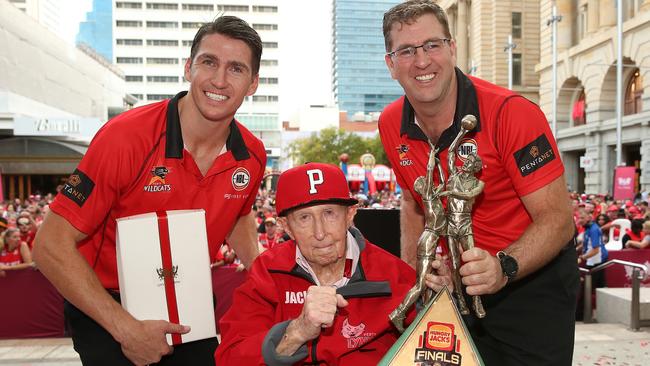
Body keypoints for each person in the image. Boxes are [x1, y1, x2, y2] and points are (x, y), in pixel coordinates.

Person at [32, 16, 267, 366]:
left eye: (236, 68)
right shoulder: (124, 138)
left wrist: (266, 274)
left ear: (253, 84)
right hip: (107, 305)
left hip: (188, 300)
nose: (219, 79)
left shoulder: (252, 154)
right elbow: (49, 245)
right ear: (188, 67)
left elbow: (239, 216)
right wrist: (126, 329)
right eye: (208, 62)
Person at [378, 1, 579, 364]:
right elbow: (412, 202)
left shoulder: (512, 112)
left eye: (432, 45)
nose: (421, 61)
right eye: (406, 51)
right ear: (391, 64)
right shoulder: (391, 123)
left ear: (453, 49)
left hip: (529, 282)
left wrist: (503, 267)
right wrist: (416, 275)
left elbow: (558, 220)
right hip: (456, 287)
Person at [216, 163, 424, 365]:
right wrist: (297, 331)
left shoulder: (393, 274)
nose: (320, 233)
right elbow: (229, 356)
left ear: (350, 214)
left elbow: (436, 344)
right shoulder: (268, 272)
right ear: (286, 226)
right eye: (304, 217)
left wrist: (443, 298)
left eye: (329, 213)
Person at [577, 209, 608, 288]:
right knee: (598, 286)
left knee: (589, 288)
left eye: (582, 218)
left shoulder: (593, 229)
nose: (579, 220)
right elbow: (586, 243)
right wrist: (576, 249)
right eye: (579, 218)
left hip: (597, 260)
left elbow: (595, 250)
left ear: (589, 218)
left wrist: (581, 258)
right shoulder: (588, 228)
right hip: (592, 259)